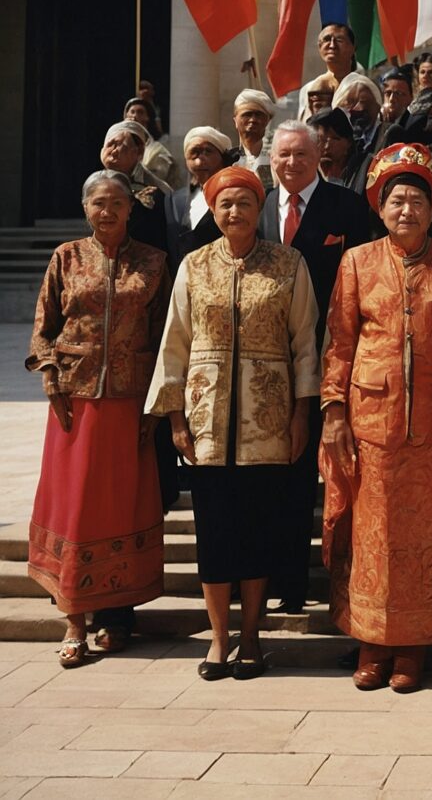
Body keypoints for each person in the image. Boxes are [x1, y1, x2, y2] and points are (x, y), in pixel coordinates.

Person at [320, 144, 432, 693]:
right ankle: (372, 644)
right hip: (372, 427)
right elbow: (340, 343)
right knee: (373, 539)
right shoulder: (356, 263)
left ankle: (413, 649)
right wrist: (335, 411)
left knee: (424, 541)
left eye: (417, 200)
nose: (406, 210)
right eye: (396, 200)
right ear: (380, 207)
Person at [147, 166, 320, 681]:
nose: (235, 212)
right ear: (214, 211)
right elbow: (174, 343)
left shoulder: (289, 264)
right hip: (205, 424)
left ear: (258, 208)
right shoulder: (194, 267)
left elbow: (306, 344)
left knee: (259, 532)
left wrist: (301, 414)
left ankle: (251, 639)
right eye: (226, 204)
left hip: (266, 426)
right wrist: (176, 419)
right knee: (215, 534)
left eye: (245, 203)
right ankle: (219, 640)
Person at [27, 170, 169, 667]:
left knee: (122, 506)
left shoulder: (153, 263)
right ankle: (74, 620)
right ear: (86, 208)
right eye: (98, 203)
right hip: (76, 404)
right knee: (78, 506)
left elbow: (164, 338)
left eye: (116, 203)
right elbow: (44, 327)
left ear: (131, 208)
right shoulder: (65, 257)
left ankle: (117, 617)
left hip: (131, 403)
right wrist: (50, 377)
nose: (106, 211)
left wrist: (156, 405)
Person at [260, 120, 372, 613]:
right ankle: (261, 580)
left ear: (318, 153)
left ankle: (298, 584)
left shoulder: (347, 207)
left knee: (306, 476)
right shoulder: (254, 204)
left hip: (323, 358)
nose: (290, 164)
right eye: (282, 155)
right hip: (257, 363)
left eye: (299, 155)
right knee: (265, 476)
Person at [165, 126, 230, 270]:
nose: (200, 160)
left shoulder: (233, 199)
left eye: (208, 151)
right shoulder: (173, 200)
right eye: (194, 153)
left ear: (222, 157)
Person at [101, 121, 170, 253]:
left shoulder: (155, 191)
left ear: (138, 152)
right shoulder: (94, 185)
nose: (114, 151)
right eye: (110, 145)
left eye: (122, 147)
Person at [124, 97, 181, 190]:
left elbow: (159, 182)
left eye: (140, 112)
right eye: (132, 112)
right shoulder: (117, 147)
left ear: (147, 118)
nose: (134, 116)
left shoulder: (157, 151)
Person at [232, 89, 276, 191]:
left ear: (268, 120)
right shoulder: (228, 160)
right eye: (247, 114)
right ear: (235, 121)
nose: (253, 120)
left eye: (258, 115)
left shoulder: (279, 157)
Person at [310, 107, 362, 187]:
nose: (327, 147)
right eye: (321, 140)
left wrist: (332, 178)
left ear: (349, 143)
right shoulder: (306, 173)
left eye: (335, 139)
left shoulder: (363, 172)